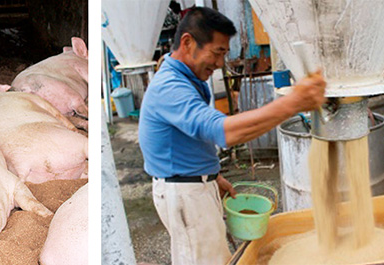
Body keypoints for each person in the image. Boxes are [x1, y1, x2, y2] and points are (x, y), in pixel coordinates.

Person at [138, 7, 326, 265]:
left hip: (192, 184)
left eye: (224, 54)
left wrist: (212, 176)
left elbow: (189, 136)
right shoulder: (170, 87)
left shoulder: (189, 80)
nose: (219, 64)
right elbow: (222, 131)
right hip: (184, 193)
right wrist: (293, 103)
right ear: (187, 42)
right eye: (217, 52)